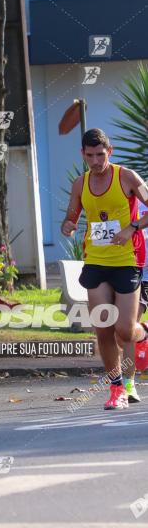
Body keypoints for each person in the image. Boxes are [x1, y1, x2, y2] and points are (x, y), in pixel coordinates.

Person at [62, 128, 148, 410]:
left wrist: (131, 227)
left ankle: (143, 332)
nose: (96, 161)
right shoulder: (80, 183)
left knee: (124, 330)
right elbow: (72, 216)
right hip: (96, 261)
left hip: (127, 259)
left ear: (109, 152)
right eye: (90, 156)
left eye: (101, 154)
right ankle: (116, 388)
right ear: (82, 155)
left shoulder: (126, 177)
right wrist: (69, 226)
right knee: (103, 329)